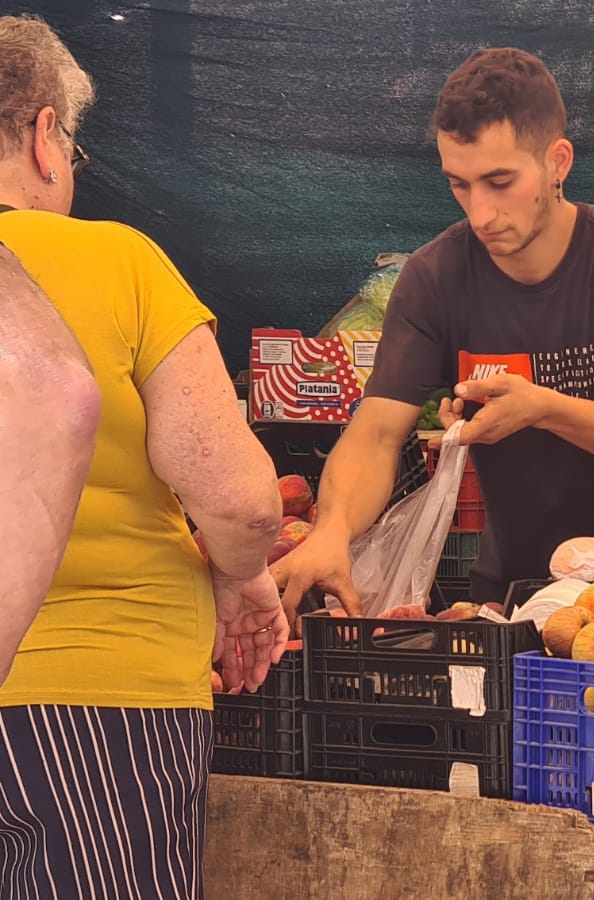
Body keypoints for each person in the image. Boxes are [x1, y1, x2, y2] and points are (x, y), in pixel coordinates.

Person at [274, 48, 594, 621]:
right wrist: (331, 530)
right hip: (509, 600)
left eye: (500, 181)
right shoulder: (435, 278)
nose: (480, 212)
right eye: (459, 185)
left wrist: (544, 409)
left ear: (558, 161)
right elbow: (376, 433)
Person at [0, 15, 287, 896]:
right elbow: (240, 500)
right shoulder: (114, 260)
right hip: (96, 702)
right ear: (46, 135)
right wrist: (243, 577)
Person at [0, 246, 100, 688]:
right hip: (110, 664)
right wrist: (245, 572)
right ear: (48, 169)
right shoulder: (122, 256)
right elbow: (239, 502)